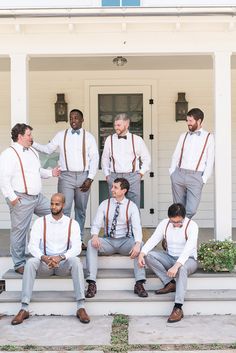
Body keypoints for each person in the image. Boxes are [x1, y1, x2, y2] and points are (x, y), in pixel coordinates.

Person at [11, 193, 90, 325]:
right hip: (44, 264)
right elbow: (32, 246)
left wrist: (61, 257)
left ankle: (81, 306)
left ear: (63, 205)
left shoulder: (72, 224)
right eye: (52, 203)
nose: (53, 206)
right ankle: (24, 308)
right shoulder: (40, 222)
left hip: (63, 264)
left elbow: (77, 248)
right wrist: (44, 258)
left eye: (57, 204)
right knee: (30, 263)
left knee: (76, 261)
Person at [33, 109, 99, 248]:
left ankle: (78, 240)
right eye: (71, 118)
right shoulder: (61, 135)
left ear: (82, 120)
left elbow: (94, 158)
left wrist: (90, 178)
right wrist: (32, 143)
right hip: (66, 177)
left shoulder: (89, 137)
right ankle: (66, 240)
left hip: (83, 176)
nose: (73, 120)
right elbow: (47, 149)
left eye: (76, 118)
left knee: (81, 210)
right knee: (65, 209)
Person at [0, 123, 60, 274]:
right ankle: (19, 264)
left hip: (37, 198)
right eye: (29, 135)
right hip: (20, 198)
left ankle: (54, 251)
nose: (31, 138)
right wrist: (13, 198)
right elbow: (3, 179)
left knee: (57, 215)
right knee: (19, 232)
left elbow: (37, 171)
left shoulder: (32, 151)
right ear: (20, 137)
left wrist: (51, 173)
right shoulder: (9, 154)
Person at [85, 177, 148, 298]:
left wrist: (137, 243)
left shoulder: (132, 206)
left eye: (115, 187)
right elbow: (97, 223)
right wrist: (94, 236)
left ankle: (139, 283)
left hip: (125, 242)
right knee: (90, 244)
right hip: (108, 241)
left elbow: (137, 227)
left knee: (141, 245)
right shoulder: (105, 204)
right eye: (112, 186)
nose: (112, 189)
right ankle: (91, 282)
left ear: (123, 191)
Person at [138, 203, 198, 323]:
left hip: (188, 260)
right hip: (170, 257)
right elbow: (153, 239)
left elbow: (189, 249)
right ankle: (169, 283)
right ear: (169, 218)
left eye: (178, 222)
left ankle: (178, 307)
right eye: (173, 222)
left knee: (182, 269)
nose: (176, 224)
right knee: (149, 256)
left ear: (184, 217)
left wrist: (177, 265)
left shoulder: (192, 226)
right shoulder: (164, 224)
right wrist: (142, 253)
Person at [169, 108, 214, 219]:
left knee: (191, 209)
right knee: (178, 208)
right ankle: (179, 233)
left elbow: (210, 160)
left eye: (190, 121)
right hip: (179, 174)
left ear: (198, 121)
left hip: (196, 176)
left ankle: (183, 226)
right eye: (187, 121)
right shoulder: (183, 136)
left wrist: (204, 179)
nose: (188, 123)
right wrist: (172, 172)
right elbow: (176, 155)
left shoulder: (209, 137)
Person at [101, 113, 151, 209]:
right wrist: (107, 175)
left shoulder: (137, 140)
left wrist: (140, 174)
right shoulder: (109, 139)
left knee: (134, 207)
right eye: (115, 125)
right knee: (115, 207)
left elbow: (146, 158)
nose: (116, 128)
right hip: (114, 177)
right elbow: (105, 159)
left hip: (132, 177)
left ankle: (134, 224)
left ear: (127, 124)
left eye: (119, 125)